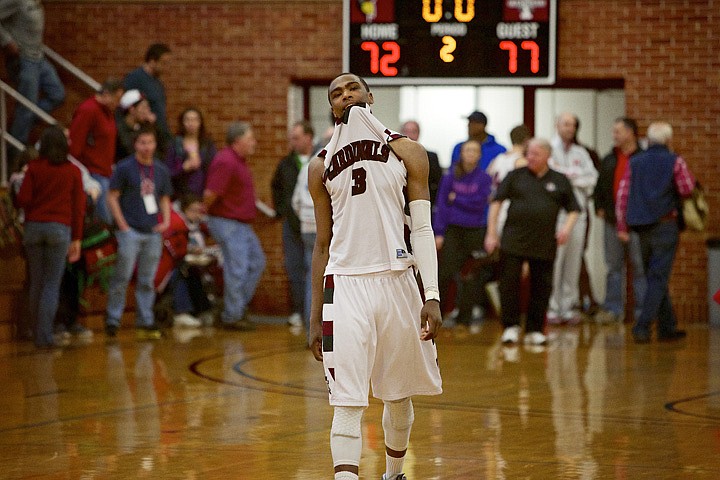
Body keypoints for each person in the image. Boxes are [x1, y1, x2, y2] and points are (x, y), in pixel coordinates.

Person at [307, 73, 442, 480]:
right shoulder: (319, 165)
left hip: (399, 280)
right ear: (332, 107)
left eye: (352, 88)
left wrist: (431, 295)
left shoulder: (409, 151)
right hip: (345, 284)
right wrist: (315, 316)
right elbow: (321, 243)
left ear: (370, 95)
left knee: (398, 395)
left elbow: (421, 229)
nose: (345, 95)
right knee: (346, 400)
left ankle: (393, 473)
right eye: (336, 93)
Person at [484, 138, 580, 346]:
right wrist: (491, 233)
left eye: (535, 154)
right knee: (509, 283)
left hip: (544, 241)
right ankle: (510, 327)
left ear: (547, 156)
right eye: (528, 153)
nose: (530, 158)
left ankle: (535, 329)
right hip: (513, 239)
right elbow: (496, 202)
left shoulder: (560, 180)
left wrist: (566, 230)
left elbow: (574, 209)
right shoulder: (515, 176)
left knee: (542, 286)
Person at [616, 121, 694, 343]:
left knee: (654, 275)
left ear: (648, 140)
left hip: (641, 227)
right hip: (665, 224)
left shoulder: (635, 162)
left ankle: (667, 327)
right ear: (669, 140)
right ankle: (642, 326)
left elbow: (622, 195)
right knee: (658, 276)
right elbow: (687, 188)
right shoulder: (674, 161)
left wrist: (622, 226)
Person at [14, 125, 85, 348]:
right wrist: (77, 238)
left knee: (36, 282)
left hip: (33, 228)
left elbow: (23, 200)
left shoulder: (33, 168)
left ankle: (35, 332)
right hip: (59, 229)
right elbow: (78, 207)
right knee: (52, 285)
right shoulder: (73, 171)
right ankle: (44, 337)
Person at [105, 125, 172, 339]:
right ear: (135, 144)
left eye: (150, 142)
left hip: (152, 231)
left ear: (155, 144)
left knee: (147, 279)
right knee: (122, 276)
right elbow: (112, 196)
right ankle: (113, 318)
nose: (146, 147)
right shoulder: (125, 168)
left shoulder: (160, 170)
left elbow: (163, 198)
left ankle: (145, 319)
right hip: (130, 231)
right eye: (142, 143)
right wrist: (122, 225)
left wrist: (166, 221)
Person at [204, 121, 266, 331]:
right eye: (250, 138)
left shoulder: (239, 161)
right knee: (236, 269)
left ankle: (234, 307)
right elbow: (211, 194)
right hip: (228, 222)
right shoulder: (226, 161)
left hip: (241, 223)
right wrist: (206, 214)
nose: (254, 143)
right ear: (238, 140)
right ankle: (232, 315)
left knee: (257, 262)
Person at [434, 139, 493, 331]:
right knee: (445, 273)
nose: (471, 154)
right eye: (467, 150)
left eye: (474, 150)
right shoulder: (450, 176)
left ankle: (465, 318)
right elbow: (442, 204)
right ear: (462, 153)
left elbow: (479, 203)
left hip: (475, 230)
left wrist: (457, 198)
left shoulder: (484, 178)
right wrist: (439, 232)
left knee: (469, 275)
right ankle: (439, 315)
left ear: (479, 155)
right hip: (452, 229)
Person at [592, 117, 646, 323]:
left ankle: (642, 312)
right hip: (612, 222)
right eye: (613, 132)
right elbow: (600, 187)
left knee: (640, 268)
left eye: (618, 131)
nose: (614, 135)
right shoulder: (609, 159)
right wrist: (599, 207)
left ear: (631, 133)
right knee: (613, 268)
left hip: (638, 223)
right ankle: (613, 309)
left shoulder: (643, 158)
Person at [547, 112, 598, 324]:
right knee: (555, 261)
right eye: (566, 124)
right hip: (556, 214)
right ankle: (552, 307)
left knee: (573, 261)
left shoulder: (581, 152)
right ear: (557, 125)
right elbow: (554, 177)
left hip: (579, 215)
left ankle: (567, 307)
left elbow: (592, 179)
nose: (570, 128)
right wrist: (575, 175)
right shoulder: (548, 149)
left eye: (573, 125)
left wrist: (568, 176)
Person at [0, 0, 65, 149]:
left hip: (39, 57)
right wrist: (7, 41)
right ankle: (15, 153)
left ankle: (23, 122)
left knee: (57, 94)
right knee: (26, 107)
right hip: (24, 59)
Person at [271, 120, 314, 328]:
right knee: (295, 269)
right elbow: (277, 188)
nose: (293, 142)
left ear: (308, 138)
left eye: (296, 137)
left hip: (313, 226)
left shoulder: (319, 160)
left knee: (313, 270)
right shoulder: (286, 163)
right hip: (293, 224)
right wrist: (283, 211)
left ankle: (314, 316)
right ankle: (298, 311)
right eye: (291, 138)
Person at [68, 77, 125, 225]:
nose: (118, 104)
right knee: (104, 220)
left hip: (105, 172)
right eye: (117, 99)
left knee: (109, 218)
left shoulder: (108, 111)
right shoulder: (88, 110)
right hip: (93, 173)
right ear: (106, 94)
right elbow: (75, 145)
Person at [124, 43, 172, 155]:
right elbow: (126, 106)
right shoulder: (135, 78)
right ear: (152, 61)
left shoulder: (158, 82)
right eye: (164, 63)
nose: (167, 67)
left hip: (159, 133)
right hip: (145, 135)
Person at [486, 124, 531, 237]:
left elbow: (487, 182)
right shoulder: (521, 162)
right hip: (512, 210)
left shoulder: (497, 159)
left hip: (495, 211)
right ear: (527, 141)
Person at [165, 107, 217, 197]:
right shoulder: (175, 144)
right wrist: (183, 167)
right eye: (187, 120)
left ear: (200, 122)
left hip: (201, 193)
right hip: (180, 193)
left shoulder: (207, 145)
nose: (191, 123)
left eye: (194, 120)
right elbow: (167, 172)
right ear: (182, 122)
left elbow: (214, 169)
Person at [291, 156, 316, 336]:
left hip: (306, 226)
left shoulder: (307, 166)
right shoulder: (333, 161)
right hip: (325, 228)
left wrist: (306, 219)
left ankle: (311, 330)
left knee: (312, 278)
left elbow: (295, 202)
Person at [400, 120, 442, 207]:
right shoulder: (392, 158)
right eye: (407, 131)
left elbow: (437, 184)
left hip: (423, 204)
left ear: (419, 134)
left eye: (413, 131)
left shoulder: (431, 157)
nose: (410, 135)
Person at [115, 88, 157, 161]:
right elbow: (129, 150)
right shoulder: (119, 129)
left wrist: (153, 125)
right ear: (132, 109)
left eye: (148, 107)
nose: (147, 111)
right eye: (144, 107)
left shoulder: (145, 126)